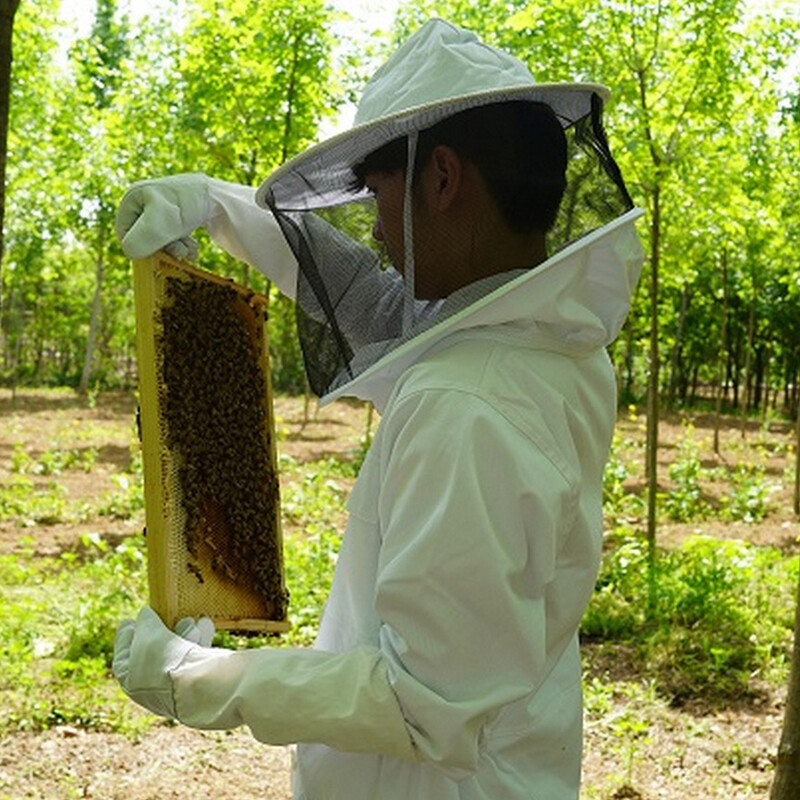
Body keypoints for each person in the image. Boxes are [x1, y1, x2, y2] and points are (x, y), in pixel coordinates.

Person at [112, 18, 644, 800]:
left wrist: (196, 678)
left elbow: (421, 705)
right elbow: (369, 296)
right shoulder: (550, 342)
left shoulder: (468, 405)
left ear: (441, 179)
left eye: (378, 192)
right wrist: (218, 208)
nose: (372, 222)